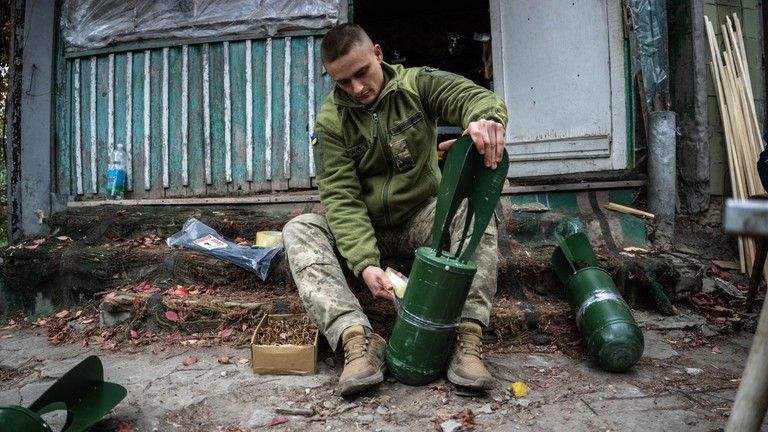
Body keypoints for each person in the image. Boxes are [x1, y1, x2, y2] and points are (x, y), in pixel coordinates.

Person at [282, 23, 508, 396]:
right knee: (300, 229)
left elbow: (471, 97)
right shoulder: (330, 122)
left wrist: (485, 121)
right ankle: (357, 339)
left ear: (378, 54)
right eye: (342, 82)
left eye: (361, 74)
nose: (356, 89)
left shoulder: (418, 84)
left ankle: (466, 336)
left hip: (423, 218)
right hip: (366, 225)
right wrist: (365, 262)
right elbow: (340, 197)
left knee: (473, 210)